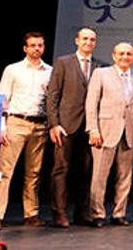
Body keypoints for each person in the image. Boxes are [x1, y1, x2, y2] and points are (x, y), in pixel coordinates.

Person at [46, 26, 103, 228]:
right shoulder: (63, 62)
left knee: (86, 171)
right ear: (77, 40)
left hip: (89, 127)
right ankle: (59, 212)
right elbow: (53, 95)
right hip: (66, 125)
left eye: (92, 40)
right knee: (61, 169)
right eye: (85, 39)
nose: (88, 42)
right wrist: (54, 124)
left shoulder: (100, 66)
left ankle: (82, 212)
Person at [85, 42, 133, 227]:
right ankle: (97, 214)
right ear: (113, 55)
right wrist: (93, 129)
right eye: (121, 53)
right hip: (104, 132)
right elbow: (91, 103)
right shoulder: (101, 74)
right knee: (99, 176)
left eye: (129, 54)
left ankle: (119, 213)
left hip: (129, 132)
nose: (125, 57)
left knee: (125, 176)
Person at [0, 32, 52, 228]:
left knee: (33, 172)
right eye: (33, 45)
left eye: (40, 45)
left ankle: (31, 213)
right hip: (16, 122)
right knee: (5, 171)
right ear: (25, 48)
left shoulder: (50, 71)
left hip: (39, 124)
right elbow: (2, 98)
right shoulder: (13, 70)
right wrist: (1, 126)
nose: (37, 48)